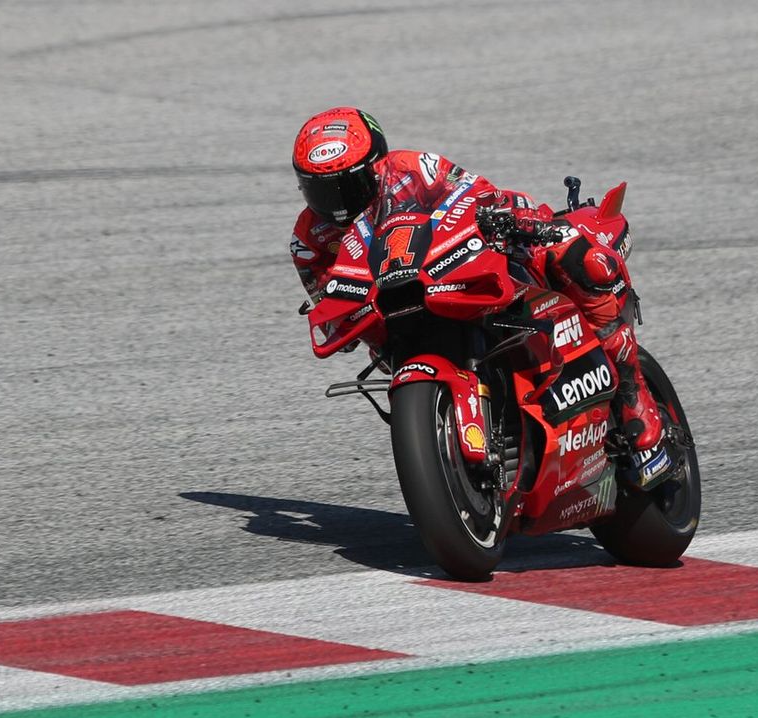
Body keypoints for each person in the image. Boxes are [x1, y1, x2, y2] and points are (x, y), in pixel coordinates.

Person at [288, 107, 674, 488]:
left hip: (457, 264)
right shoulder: (308, 240)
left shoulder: (412, 169)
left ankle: (633, 395)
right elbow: (330, 304)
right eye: (321, 190)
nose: (337, 202)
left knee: (580, 257)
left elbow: (473, 192)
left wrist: (507, 216)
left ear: (376, 166)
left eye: (348, 185)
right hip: (397, 314)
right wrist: (336, 315)